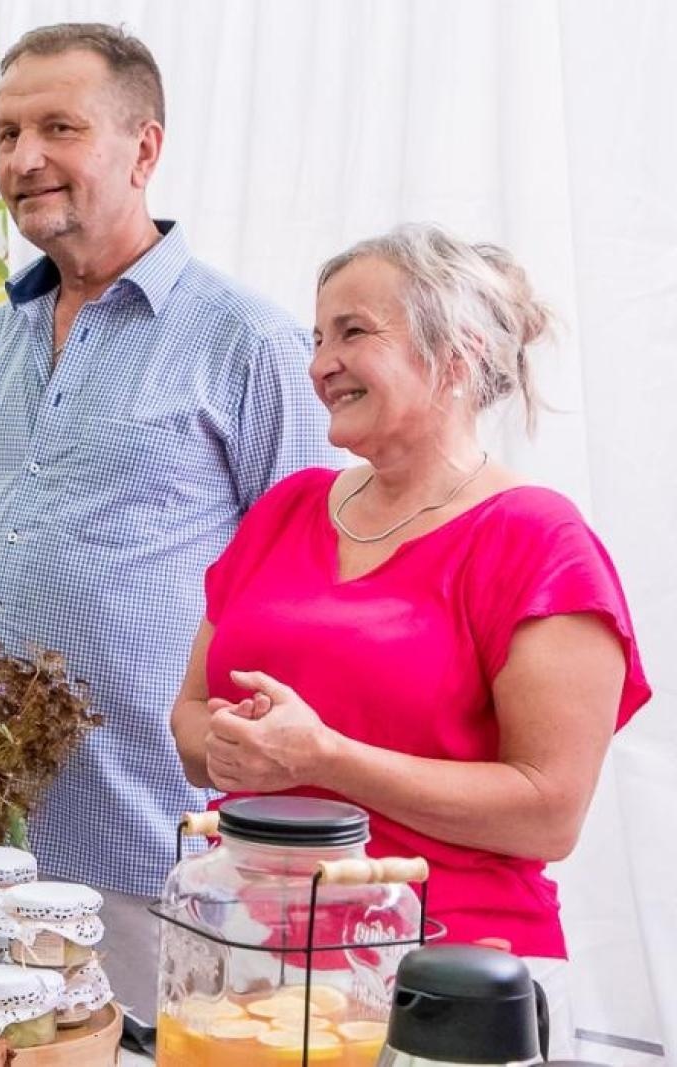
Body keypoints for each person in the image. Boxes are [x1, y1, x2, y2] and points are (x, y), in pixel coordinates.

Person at [170, 223, 650, 1052]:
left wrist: (325, 759)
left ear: (456, 356)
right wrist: (229, 747)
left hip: (446, 980)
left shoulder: (538, 540)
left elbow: (549, 813)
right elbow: (189, 719)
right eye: (318, 336)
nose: (320, 362)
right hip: (250, 964)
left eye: (354, 332)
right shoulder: (287, 509)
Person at [0, 23, 339, 1016]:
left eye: (59, 127)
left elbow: (301, 593)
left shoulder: (247, 340)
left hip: (149, 836)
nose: (23, 158)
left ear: (144, 147)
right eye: (6, 133)